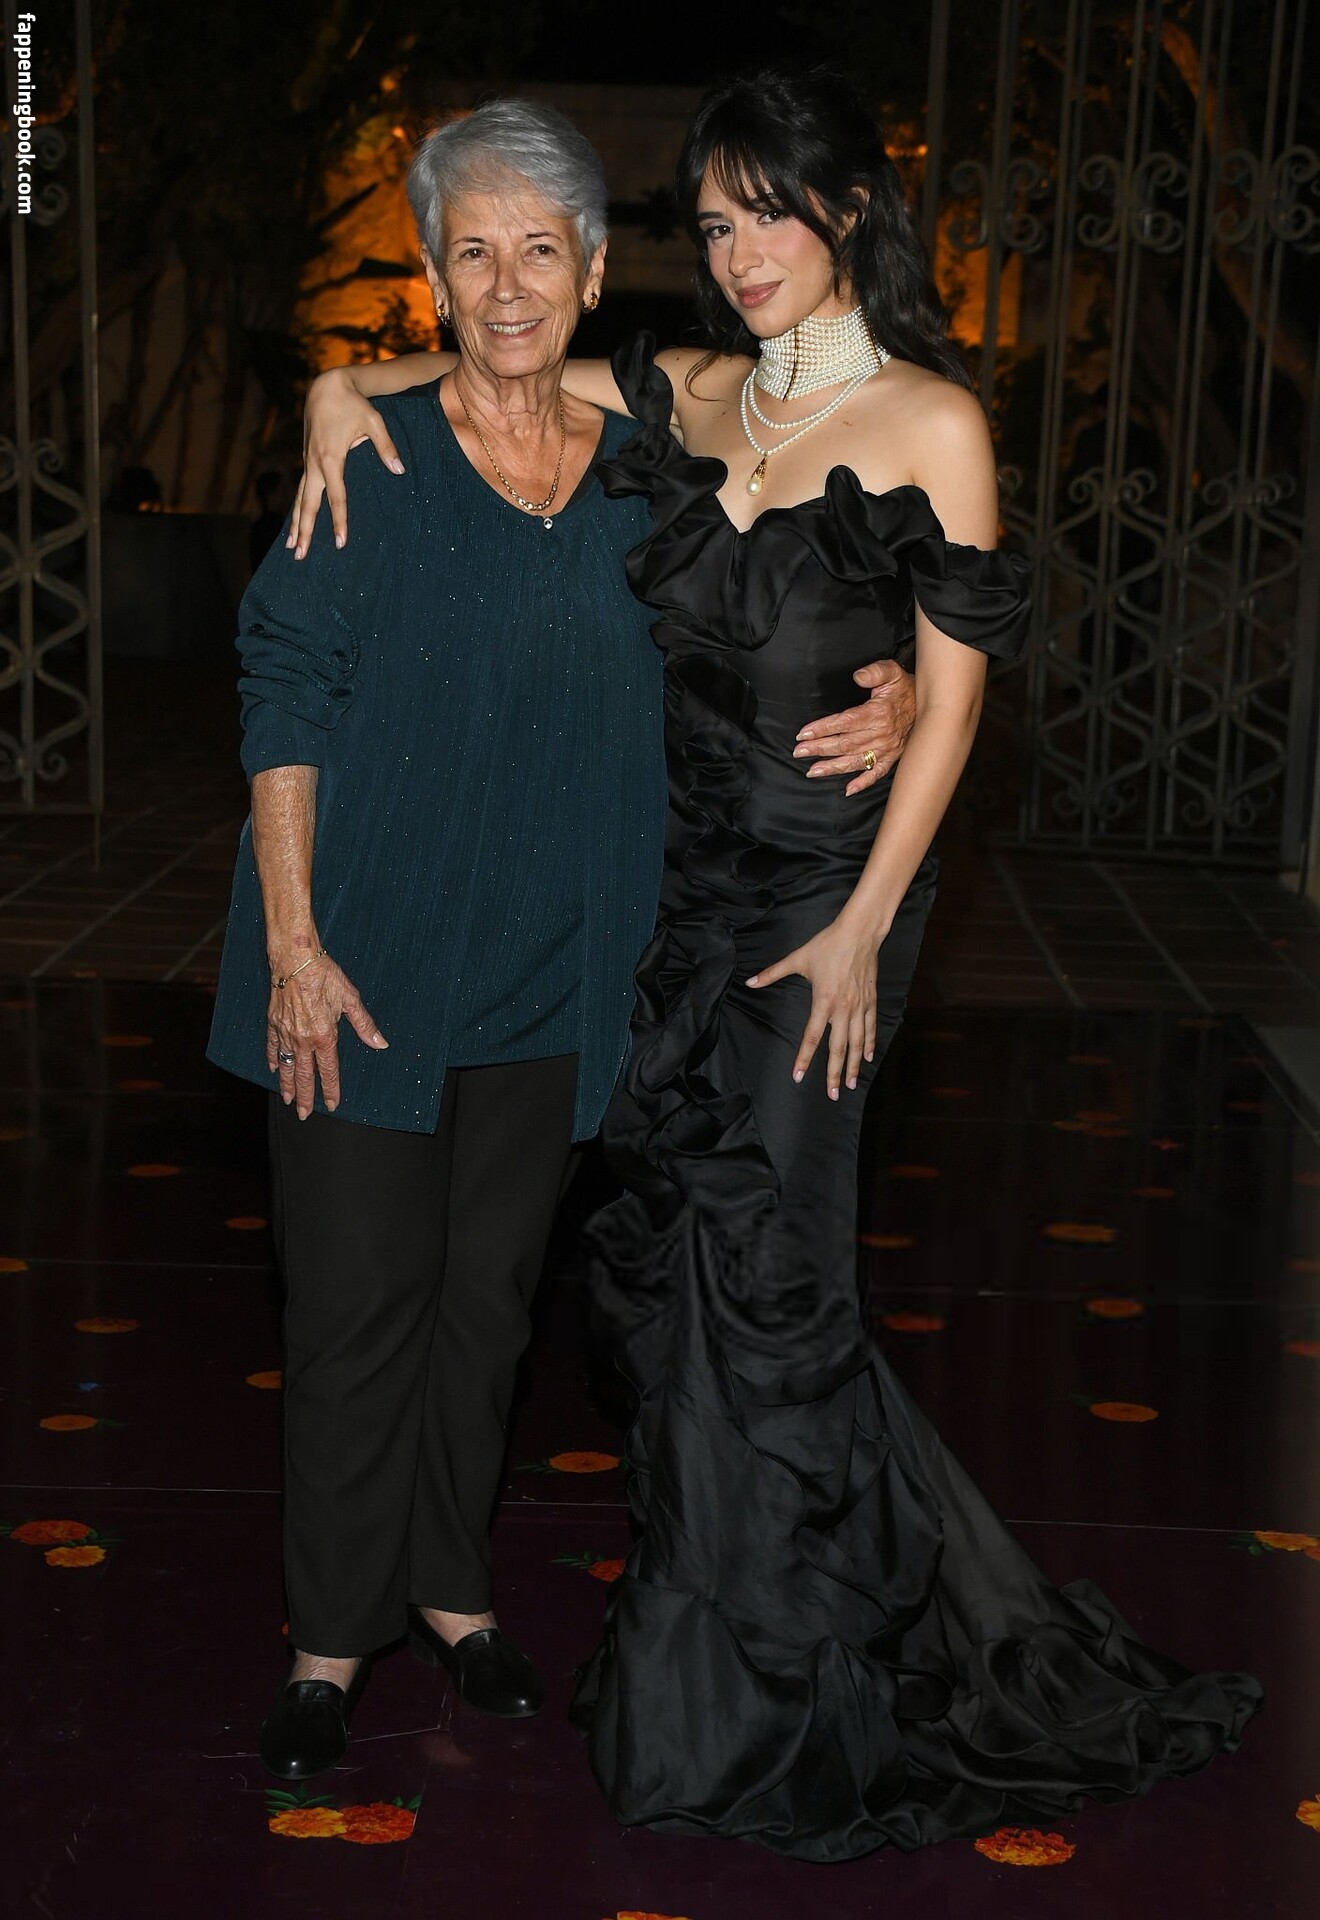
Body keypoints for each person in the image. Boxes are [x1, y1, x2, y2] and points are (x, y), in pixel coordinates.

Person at [298, 67, 1259, 1863]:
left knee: (782, 1288)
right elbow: (495, 363)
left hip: (822, 916)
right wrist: (340, 387)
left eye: (772, 214)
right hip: (666, 915)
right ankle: (734, 1651)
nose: (741, 252)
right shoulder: (683, 391)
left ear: (849, 214)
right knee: (686, 1299)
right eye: (716, 221)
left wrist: (868, 929)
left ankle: (776, 1691)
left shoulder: (932, 421)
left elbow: (950, 712)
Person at [208, 97, 908, 1785]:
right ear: (435, 277)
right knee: (360, 1308)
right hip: (360, 963)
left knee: (488, 1307)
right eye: (474, 252)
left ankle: (451, 1591)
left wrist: (885, 683)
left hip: (555, 970)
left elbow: (764, 616)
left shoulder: (643, 478)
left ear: (594, 272)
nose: (509, 284)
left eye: (542, 249)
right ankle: (328, 1641)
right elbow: (284, 688)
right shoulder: (372, 459)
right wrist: (293, 939)